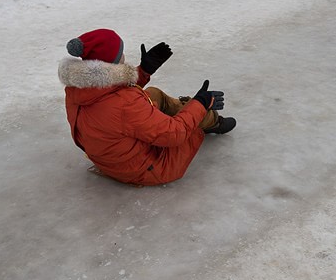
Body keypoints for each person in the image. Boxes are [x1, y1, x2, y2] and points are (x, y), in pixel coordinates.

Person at [58, 28, 236, 186]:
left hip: (109, 158)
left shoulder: (76, 88)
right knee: (193, 121)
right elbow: (174, 134)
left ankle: (195, 112)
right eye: (121, 53)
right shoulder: (125, 104)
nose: (124, 56)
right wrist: (200, 103)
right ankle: (212, 121)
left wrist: (143, 71)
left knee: (153, 94)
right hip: (146, 168)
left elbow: (110, 96)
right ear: (111, 63)